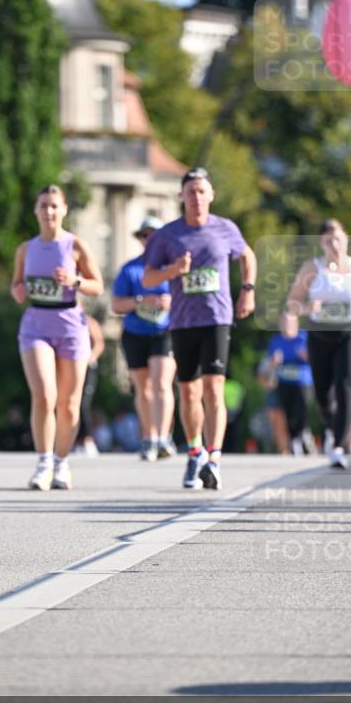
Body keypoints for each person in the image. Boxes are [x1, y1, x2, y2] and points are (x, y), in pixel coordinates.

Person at [143, 167, 257, 489]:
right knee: (189, 391)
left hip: (217, 318)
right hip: (182, 321)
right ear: (181, 197)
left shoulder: (225, 229)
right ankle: (195, 452)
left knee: (213, 389)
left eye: (201, 191)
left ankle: (214, 459)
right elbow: (148, 277)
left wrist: (248, 290)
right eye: (190, 192)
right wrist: (173, 271)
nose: (196, 197)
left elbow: (248, 255)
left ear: (211, 195)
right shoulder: (167, 235)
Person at [12, 184, 103, 490]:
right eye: (43, 206)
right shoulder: (26, 249)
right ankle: (43, 463)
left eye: (54, 206)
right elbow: (16, 286)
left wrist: (75, 280)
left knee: (68, 403)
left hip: (71, 326)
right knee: (45, 396)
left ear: (63, 210)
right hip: (36, 324)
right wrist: (19, 291)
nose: (49, 211)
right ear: (36, 211)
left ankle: (62, 463)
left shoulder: (75, 245)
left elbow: (98, 286)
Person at [286, 218, 351, 469]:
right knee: (323, 393)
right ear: (321, 244)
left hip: (350, 334)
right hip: (319, 335)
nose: (335, 244)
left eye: (339, 239)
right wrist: (307, 307)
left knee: (345, 387)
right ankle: (331, 427)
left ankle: (339, 446)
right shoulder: (312, 268)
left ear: (347, 239)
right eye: (329, 240)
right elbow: (292, 302)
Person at [112, 215, 177, 461]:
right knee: (143, 388)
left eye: (155, 235)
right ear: (140, 239)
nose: (150, 239)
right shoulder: (130, 270)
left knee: (162, 383)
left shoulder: (171, 269)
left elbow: (187, 299)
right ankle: (148, 437)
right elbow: (116, 304)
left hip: (164, 331)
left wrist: (170, 302)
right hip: (135, 333)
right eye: (145, 235)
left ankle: (163, 437)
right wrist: (141, 301)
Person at [263, 311, 313, 456]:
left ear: (296, 323)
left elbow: (316, 359)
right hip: (284, 382)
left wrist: (306, 356)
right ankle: (294, 440)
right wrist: (274, 362)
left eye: (290, 322)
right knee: (286, 413)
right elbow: (269, 364)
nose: (287, 325)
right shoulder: (276, 341)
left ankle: (302, 434)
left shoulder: (304, 338)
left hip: (302, 382)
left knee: (300, 410)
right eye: (284, 322)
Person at [74, 314, 105, 456]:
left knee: (83, 404)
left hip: (86, 367)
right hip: (72, 366)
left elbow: (99, 342)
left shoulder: (88, 321)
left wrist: (90, 357)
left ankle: (87, 439)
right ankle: (74, 440)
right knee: (70, 403)